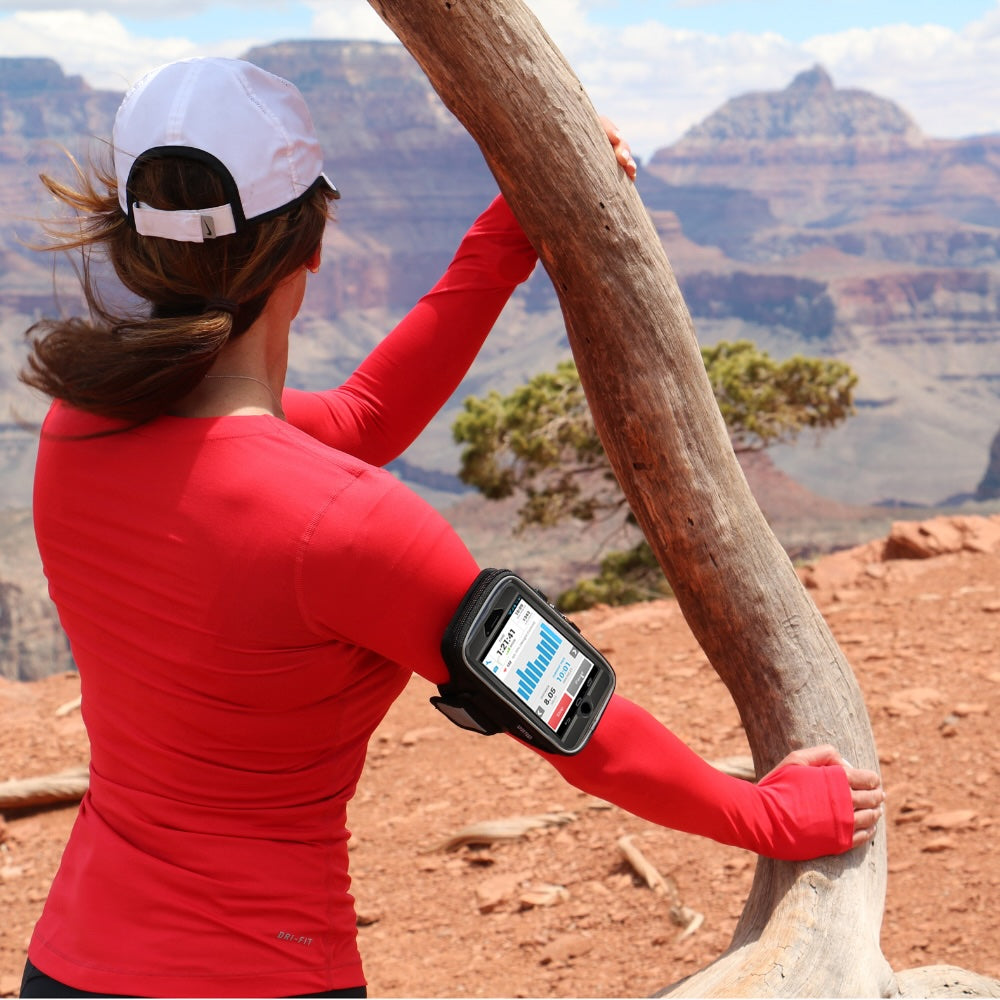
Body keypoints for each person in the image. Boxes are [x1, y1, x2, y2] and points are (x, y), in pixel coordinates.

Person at [18, 57, 883, 999]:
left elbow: (357, 422)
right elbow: (574, 723)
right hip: (263, 976)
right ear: (312, 241)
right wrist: (771, 816)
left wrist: (511, 232)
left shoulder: (79, 427)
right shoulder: (353, 527)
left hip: (68, 968)